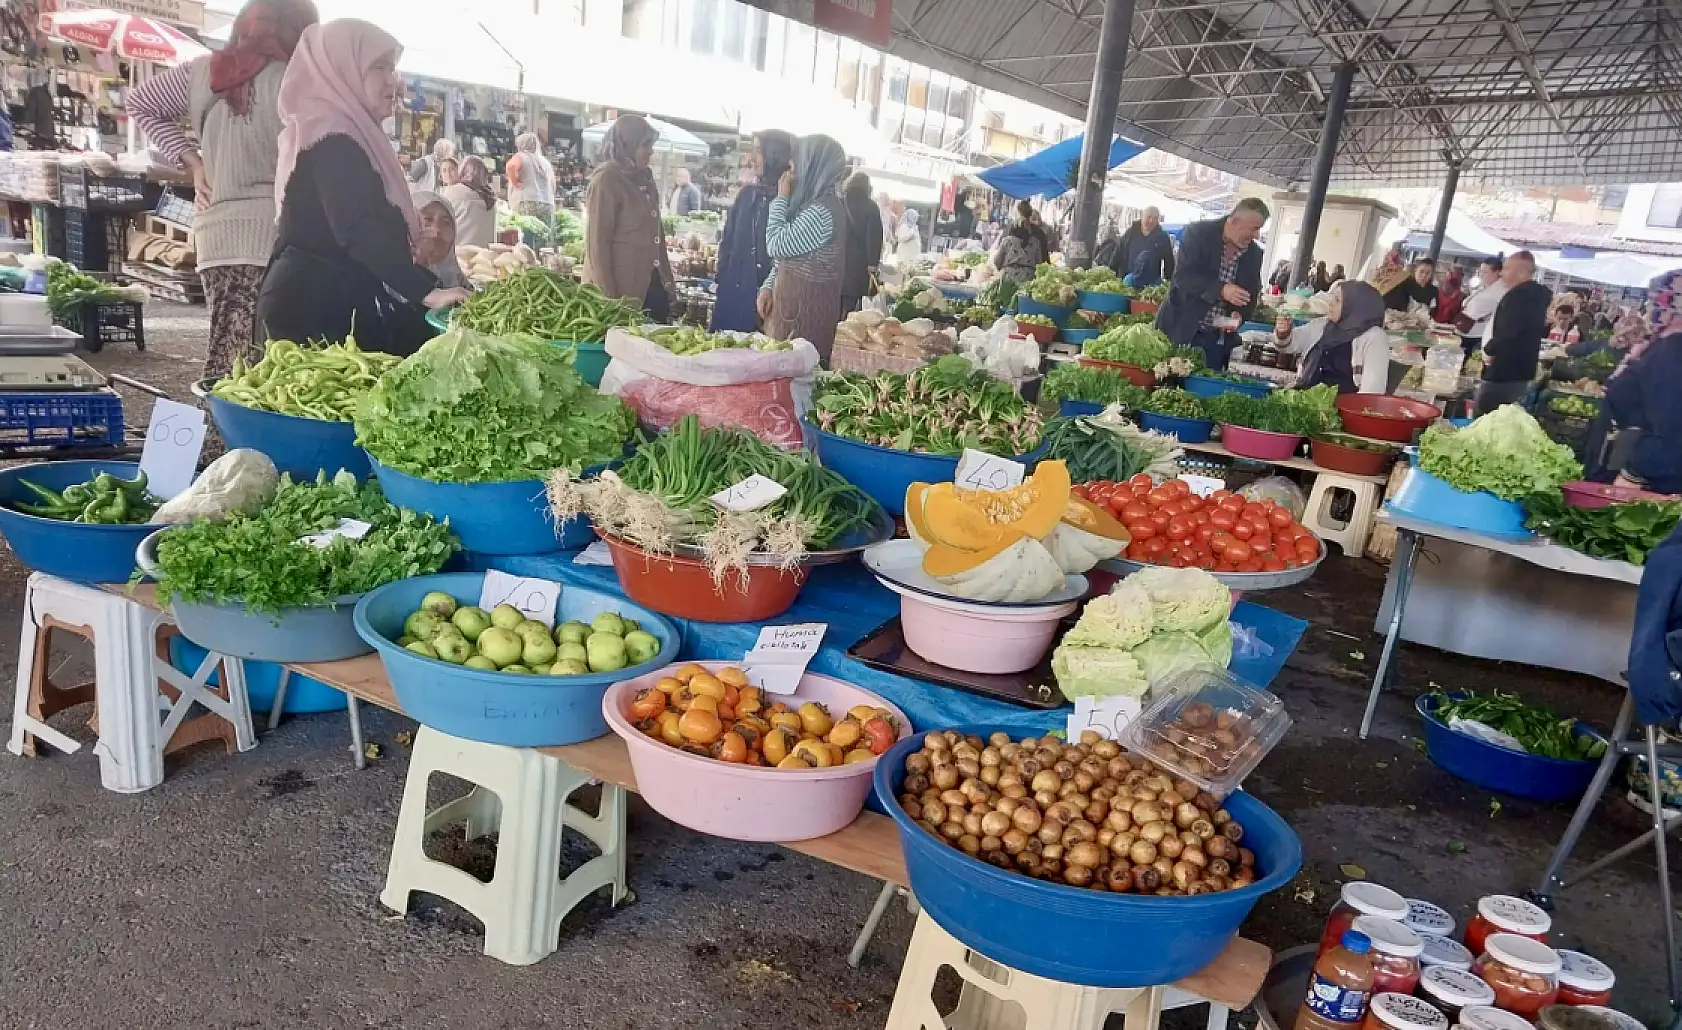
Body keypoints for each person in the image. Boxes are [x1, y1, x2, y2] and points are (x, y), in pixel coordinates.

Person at [128, 0, 319, 379]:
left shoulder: (199, 71)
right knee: (264, 364)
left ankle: (224, 435)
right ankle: (228, 437)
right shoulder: (297, 80)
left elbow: (142, 102)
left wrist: (192, 161)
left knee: (228, 351)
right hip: (275, 238)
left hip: (215, 236)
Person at [256, 20, 466, 355]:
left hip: (328, 298)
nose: (393, 82)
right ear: (344, 70)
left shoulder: (346, 134)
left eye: (392, 68)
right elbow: (355, 226)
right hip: (311, 308)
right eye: (378, 68)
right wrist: (425, 291)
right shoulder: (334, 139)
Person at [756, 134, 847, 364]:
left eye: (797, 162)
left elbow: (776, 244)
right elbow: (788, 256)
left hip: (805, 322)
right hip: (792, 315)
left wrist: (781, 197)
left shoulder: (822, 212)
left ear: (813, 166)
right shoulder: (812, 205)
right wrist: (768, 286)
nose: (791, 170)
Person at [1155, 197, 1268, 371]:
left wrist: (1239, 315)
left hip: (1216, 341)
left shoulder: (1254, 254)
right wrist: (1221, 289)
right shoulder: (1198, 233)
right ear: (1234, 221)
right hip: (1181, 329)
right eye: (1254, 228)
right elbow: (1182, 278)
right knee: (1168, 383)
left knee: (1203, 393)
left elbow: (1251, 294)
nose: (1257, 235)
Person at [583, 114, 675, 321]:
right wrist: (609, 301)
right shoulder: (606, 181)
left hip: (649, 289)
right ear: (627, 145)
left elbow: (656, 236)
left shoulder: (645, 180)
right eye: (645, 145)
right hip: (619, 295)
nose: (651, 151)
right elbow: (597, 246)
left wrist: (668, 284)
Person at [1606, 270, 1682, 495]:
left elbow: (1670, 426)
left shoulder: (1673, 350)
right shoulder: (1662, 344)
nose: (1651, 308)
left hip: (1660, 478)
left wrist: (1634, 472)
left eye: (1656, 300)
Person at [710, 129, 791, 332]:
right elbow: (727, 242)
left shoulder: (790, 202)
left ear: (774, 155)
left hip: (766, 305)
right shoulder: (746, 195)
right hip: (733, 299)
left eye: (758, 151)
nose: (751, 159)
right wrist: (723, 280)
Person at [1274, 281, 1390, 394]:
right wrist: (1284, 332)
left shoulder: (1374, 337)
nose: (1331, 303)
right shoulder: (1322, 325)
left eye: (1337, 300)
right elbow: (1290, 344)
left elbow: (1372, 391)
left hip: (1341, 408)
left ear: (1354, 305)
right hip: (1306, 400)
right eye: (1332, 298)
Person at [1475, 250, 1550, 415]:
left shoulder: (1521, 296)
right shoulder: (1536, 296)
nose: (1501, 273)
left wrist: (1489, 349)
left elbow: (1509, 331)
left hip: (1504, 372)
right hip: (1519, 372)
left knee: (1486, 418)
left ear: (1522, 272)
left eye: (1507, 268)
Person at [840, 170, 883, 316]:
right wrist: (873, 265)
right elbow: (874, 239)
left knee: (833, 307)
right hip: (858, 268)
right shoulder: (871, 207)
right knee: (851, 311)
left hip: (836, 265)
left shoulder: (839, 202)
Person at [1104, 205, 1175, 286]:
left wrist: (1169, 282)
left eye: (1155, 218)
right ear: (1142, 217)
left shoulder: (1162, 237)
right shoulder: (1131, 232)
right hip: (1127, 281)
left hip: (1151, 284)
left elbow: (1169, 261)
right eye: (1149, 217)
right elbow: (1118, 253)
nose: (1151, 221)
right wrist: (1110, 274)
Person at [410, 190, 466, 290]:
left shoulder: (460, 285)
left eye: (445, 222)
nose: (437, 229)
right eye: (427, 219)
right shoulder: (390, 286)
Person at [441, 153, 496, 249]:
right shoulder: (491, 196)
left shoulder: (454, 192)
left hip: (460, 252)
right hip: (484, 255)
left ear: (462, 171)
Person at [991, 200, 1051, 284]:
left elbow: (997, 262)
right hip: (1028, 280)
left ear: (1017, 213)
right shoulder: (1038, 236)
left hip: (1007, 280)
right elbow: (1042, 263)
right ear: (1030, 214)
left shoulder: (1008, 234)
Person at [1456, 256, 1505, 354]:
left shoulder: (1501, 291)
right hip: (1463, 329)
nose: (1481, 275)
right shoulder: (1482, 286)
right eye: (1480, 271)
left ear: (1497, 272)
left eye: (1485, 272)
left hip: (1477, 335)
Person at [506, 132, 555, 224]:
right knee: (543, 234)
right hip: (547, 203)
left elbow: (510, 166)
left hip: (527, 201)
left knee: (526, 234)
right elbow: (552, 184)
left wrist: (515, 183)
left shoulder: (521, 156)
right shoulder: (545, 162)